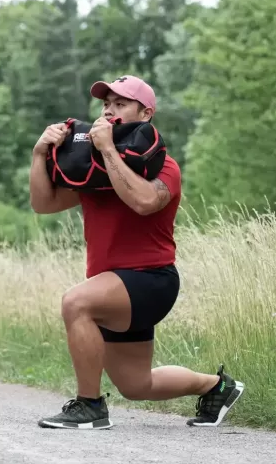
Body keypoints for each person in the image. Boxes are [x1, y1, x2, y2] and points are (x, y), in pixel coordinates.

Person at [29, 74, 244, 430]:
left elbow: (144, 201)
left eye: (120, 104)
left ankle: (90, 407)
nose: (110, 112)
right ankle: (217, 386)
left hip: (150, 280)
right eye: (106, 105)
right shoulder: (92, 170)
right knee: (136, 385)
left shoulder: (165, 166)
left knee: (75, 303)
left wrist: (109, 150)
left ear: (145, 114)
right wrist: (39, 154)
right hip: (113, 286)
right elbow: (44, 203)